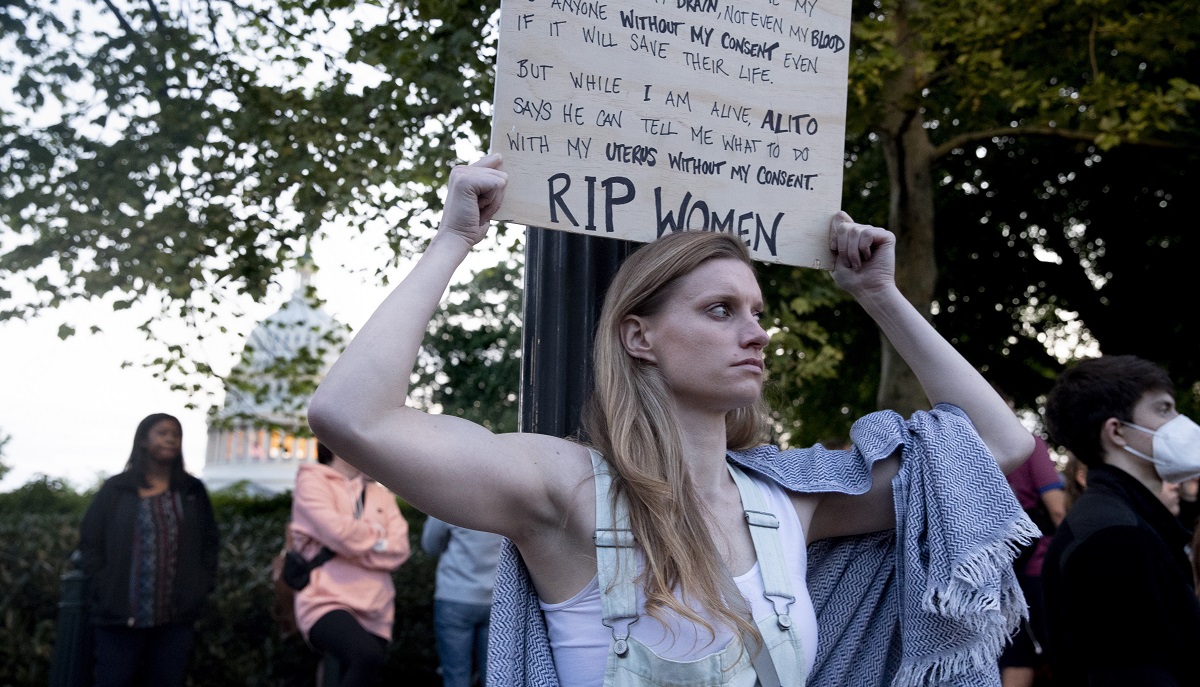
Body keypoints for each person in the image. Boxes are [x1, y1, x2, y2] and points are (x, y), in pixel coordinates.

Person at [308, 154, 1034, 687]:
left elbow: (995, 450)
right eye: (720, 310)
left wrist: (880, 295)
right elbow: (349, 414)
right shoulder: (566, 488)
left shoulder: (790, 502)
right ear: (639, 336)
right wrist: (452, 240)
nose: (755, 333)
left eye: (756, 313)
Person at [1041, 355, 1200, 686]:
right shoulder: (1115, 538)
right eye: (1163, 409)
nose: (1179, 422)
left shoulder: (1120, 522)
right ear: (1117, 431)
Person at [79, 412, 219, 687]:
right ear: (143, 440)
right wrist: (104, 587)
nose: (170, 439)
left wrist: (199, 589)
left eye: (176, 434)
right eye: (162, 433)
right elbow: (91, 540)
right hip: (120, 615)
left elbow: (209, 543)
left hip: (175, 618)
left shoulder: (192, 491)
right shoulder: (117, 489)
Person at [290, 442, 411, 687]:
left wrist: (353, 545)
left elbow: (400, 549)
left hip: (377, 606)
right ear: (332, 442)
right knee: (365, 657)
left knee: (363, 670)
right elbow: (338, 533)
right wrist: (378, 538)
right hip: (324, 599)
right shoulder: (312, 481)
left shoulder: (381, 495)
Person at [998, 433, 1065, 687]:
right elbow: (1057, 509)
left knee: (1016, 652)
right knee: (1062, 651)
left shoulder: (963, 447)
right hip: (1039, 565)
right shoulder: (1027, 443)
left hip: (1000, 570)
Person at [422, 516, 503, 687]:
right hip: (497, 599)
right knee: (495, 676)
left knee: (455, 675)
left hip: (455, 595)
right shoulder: (506, 496)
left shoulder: (450, 495)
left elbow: (430, 544)